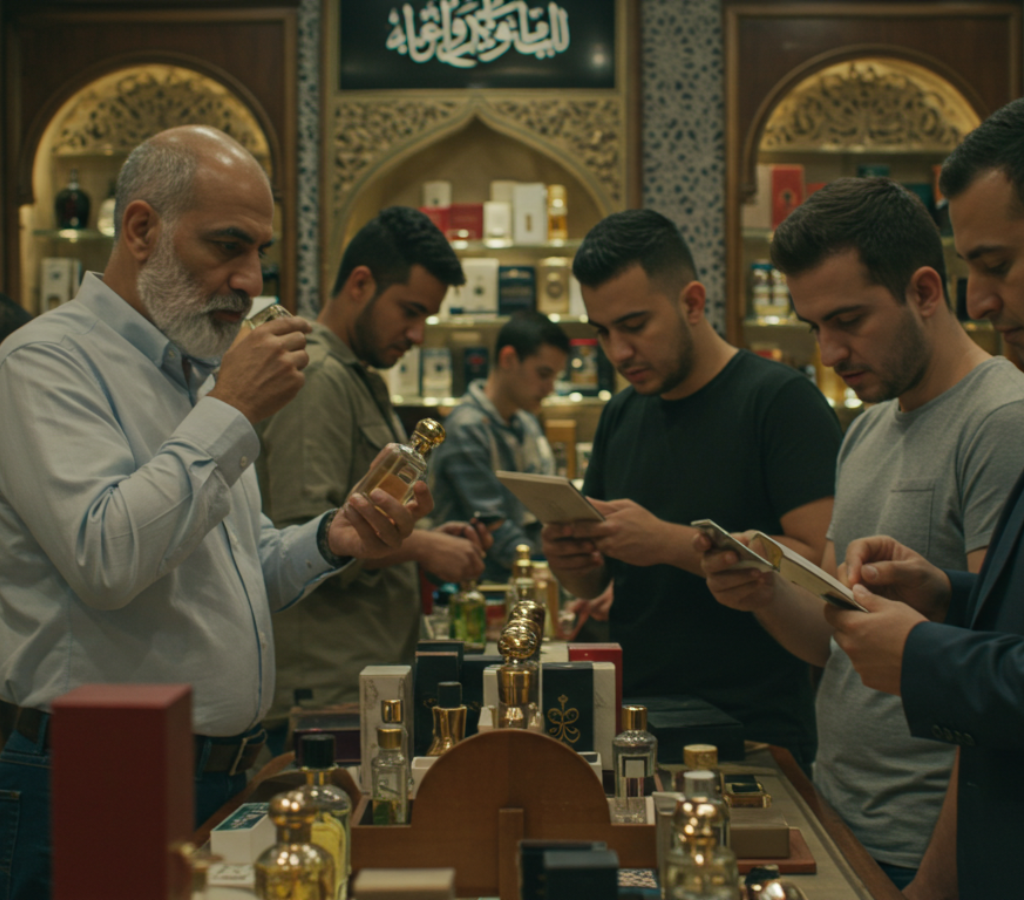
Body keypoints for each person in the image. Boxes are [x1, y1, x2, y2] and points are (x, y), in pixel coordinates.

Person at [0, 126, 430, 899]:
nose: (249, 279)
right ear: (141, 229)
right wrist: (232, 410)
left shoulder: (196, 374)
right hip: (97, 774)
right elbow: (106, 558)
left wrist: (334, 538)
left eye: (259, 253)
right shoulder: (45, 363)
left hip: (220, 776)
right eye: (227, 246)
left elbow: (239, 571)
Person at [696, 176, 1024, 888]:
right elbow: (831, 641)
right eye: (815, 326)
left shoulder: (1002, 421)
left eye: (848, 320)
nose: (830, 351)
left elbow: (993, 678)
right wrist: (764, 591)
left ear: (925, 291)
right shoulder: (867, 428)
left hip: (928, 846)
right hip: (839, 812)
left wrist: (934, 883)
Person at [541, 209, 843, 767]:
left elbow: (819, 568)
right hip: (635, 723)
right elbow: (599, 580)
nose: (618, 352)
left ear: (693, 303)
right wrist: (571, 560)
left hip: (754, 734)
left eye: (635, 326)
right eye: (603, 332)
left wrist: (666, 542)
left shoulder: (780, 402)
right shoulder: (622, 413)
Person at [821, 97, 1024, 900]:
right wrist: (948, 594)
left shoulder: (1002, 416)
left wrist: (922, 653)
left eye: (999, 264)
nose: (983, 301)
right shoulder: (867, 428)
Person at [255, 206, 488, 748]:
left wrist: (419, 536)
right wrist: (424, 547)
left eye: (427, 317)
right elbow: (303, 534)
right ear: (360, 283)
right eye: (410, 311)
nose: (417, 334)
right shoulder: (319, 378)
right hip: (324, 690)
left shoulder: (357, 378)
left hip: (354, 679)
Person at [431, 310, 570, 581]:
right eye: (544, 374)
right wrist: (545, 566)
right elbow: (491, 523)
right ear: (508, 359)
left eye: (555, 377)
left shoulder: (526, 422)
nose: (550, 388)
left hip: (517, 576)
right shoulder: (466, 427)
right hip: (478, 585)